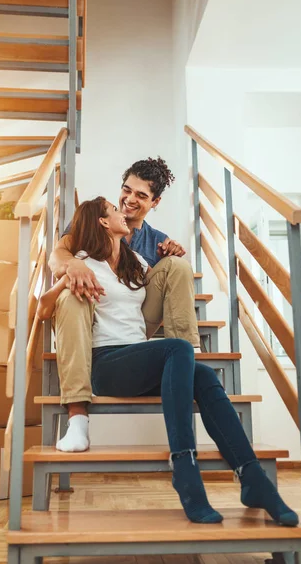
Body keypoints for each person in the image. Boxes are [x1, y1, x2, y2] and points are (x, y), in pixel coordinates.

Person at [38, 196, 299, 527]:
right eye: (115, 211)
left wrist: (173, 256)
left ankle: (253, 478)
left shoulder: (134, 260)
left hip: (138, 356)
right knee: (178, 349)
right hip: (105, 364)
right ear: (104, 222)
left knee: (203, 377)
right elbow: (45, 307)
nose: (123, 213)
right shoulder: (84, 261)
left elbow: (162, 285)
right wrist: (67, 274)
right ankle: (185, 469)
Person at [46, 158, 202, 450]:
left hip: (135, 322)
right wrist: (72, 266)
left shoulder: (155, 242)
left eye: (141, 196)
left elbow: (167, 282)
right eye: (126, 190)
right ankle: (77, 417)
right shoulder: (91, 223)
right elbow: (57, 256)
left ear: (155, 202)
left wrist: (172, 256)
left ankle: (187, 358)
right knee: (69, 296)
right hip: (93, 323)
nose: (129, 200)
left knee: (179, 266)